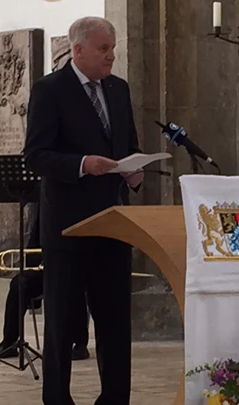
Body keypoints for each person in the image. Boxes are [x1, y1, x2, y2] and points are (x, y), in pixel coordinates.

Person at [24, 16, 143, 405]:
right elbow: (36, 155)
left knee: (115, 320)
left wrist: (134, 171)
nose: (111, 56)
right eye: (103, 49)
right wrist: (81, 164)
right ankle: (58, 398)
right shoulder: (50, 90)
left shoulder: (119, 89)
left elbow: (127, 145)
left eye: (113, 48)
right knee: (62, 323)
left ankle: (115, 398)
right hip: (68, 225)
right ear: (77, 50)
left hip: (114, 223)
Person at [0, 204, 90, 361]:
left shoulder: (81, 209)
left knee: (73, 285)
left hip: (73, 266)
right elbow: (32, 249)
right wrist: (44, 259)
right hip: (46, 268)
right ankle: (9, 342)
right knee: (18, 283)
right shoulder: (46, 209)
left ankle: (80, 344)